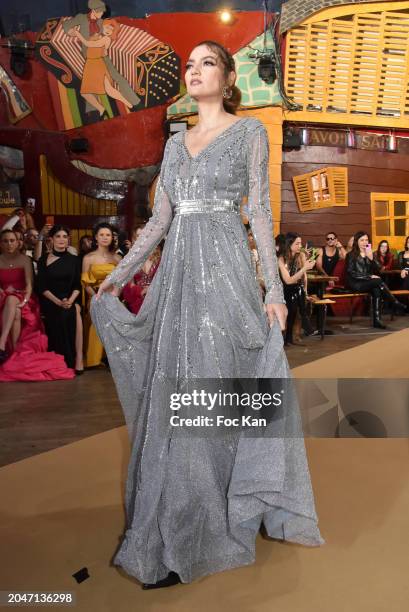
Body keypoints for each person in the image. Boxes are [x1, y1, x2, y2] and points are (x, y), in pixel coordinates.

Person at [91, 40, 324, 589]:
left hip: (227, 275)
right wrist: (116, 278)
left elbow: (261, 213)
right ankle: (176, 526)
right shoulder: (174, 143)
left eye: (207, 63)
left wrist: (273, 289)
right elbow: (159, 222)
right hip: (178, 284)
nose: (195, 71)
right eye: (189, 65)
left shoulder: (248, 133)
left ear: (228, 75)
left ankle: (231, 501)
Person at [0, 229, 75, 380]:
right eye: (5, 241)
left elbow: (29, 285)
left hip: (24, 298)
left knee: (14, 304)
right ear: (1, 244)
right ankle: (13, 352)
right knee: (12, 304)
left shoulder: (25, 260)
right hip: (3, 297)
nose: (9, 244)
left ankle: (3, 344)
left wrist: (25, 300)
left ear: (18, 242)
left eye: (12, 240)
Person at [37, 225, 83, 373]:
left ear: (68, 239)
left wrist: (70, 300)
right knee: (63, 314)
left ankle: (75, 359)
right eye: (58, 236)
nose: (62, 239)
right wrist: (58, 302)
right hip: (50, 301)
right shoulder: (43, 259)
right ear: (51, 239)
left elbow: (77, 285)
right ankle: (65, 359)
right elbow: (42, 287)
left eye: (64, 236)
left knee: (72, 311)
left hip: (70, 299)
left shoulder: (75, 260)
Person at [346, 231, 405, 329]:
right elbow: (351, 273)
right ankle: (395, 302)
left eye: (366, 240)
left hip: (367, 283)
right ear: (357, 241)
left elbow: (379, 269)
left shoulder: (370, 253)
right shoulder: (351, 255)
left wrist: (371, 258)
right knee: (377, 281)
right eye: (362, 240)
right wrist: (369, 277)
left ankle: (377, 321)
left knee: (376, 290)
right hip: (355, 283)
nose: (365, 242)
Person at [82, 222, 120, 367]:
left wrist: (114, 295)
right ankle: (95, 359)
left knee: (115, 317)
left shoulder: (117, 258)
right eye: (101, 235)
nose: (105, 237)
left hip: (113, 296)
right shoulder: (88, 258)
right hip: (94, 295)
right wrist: (97, 296)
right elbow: (85, 283)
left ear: (112, 238)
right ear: (96, 238)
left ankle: (112, 358)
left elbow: (120, 281)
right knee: (100, 312)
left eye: (108, 235)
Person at [277, 232, 316, 346]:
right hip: (283, 289)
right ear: (289, 245)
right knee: (292, 305)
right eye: (297, 243)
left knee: (298, 292)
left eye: (301, 243)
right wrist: (304, 268)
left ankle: (290, 338)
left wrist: (306, 291)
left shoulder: (300, 255)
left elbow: (304, 277)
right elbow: (288, 281)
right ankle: (305, 323)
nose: (300, 246)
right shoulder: (281, 259)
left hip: (296, 289)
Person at [122, 244, 161, 314]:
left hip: (158, 301)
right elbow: (128, 286)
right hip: (138, 303)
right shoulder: (131, 260)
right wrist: (140, 291)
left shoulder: (162, 259)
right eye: (137, 236)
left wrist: (152, 288)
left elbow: (166, 282)